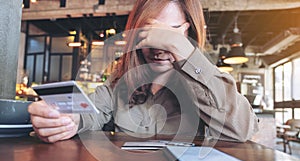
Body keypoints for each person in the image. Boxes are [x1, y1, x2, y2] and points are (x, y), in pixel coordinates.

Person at [28, 0, 259, 143]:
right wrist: (67, 119)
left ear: (189, 32)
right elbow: (91, 111)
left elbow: (242, 129)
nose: (159, 48)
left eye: (170, 32)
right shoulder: (119, 85)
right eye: (150, 32)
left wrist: (185, 52)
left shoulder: (205, 88)